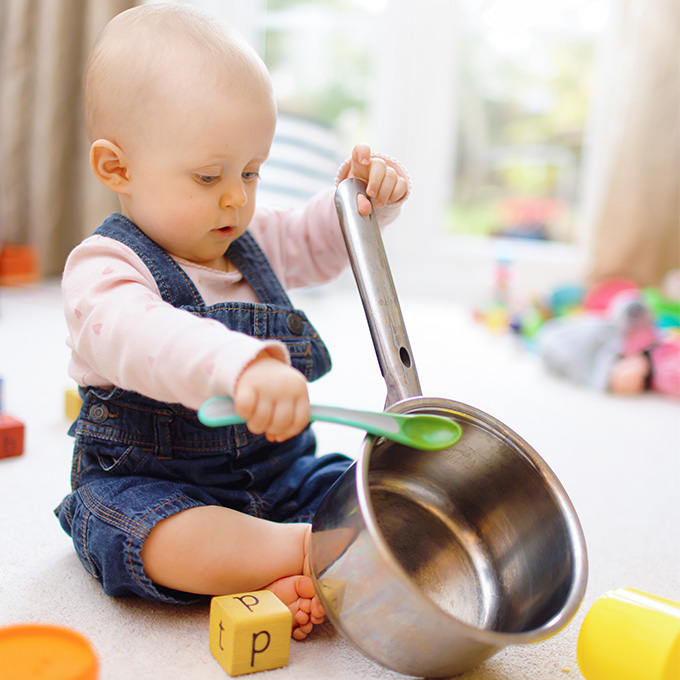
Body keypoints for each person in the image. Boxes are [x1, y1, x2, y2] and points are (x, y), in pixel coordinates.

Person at [55, 3, 410, 641]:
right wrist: (237, 365)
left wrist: (358, 209)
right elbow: (150, 341)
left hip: (282, 480)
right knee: (139, 532)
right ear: (117, 168)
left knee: (364, 485)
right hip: (154, 482)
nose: (236, 197)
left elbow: (315, 242)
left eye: (251, 171)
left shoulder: (247, 235)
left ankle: (290, 552)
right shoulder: (103, 270)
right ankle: (305, 555)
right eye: (209, 174)